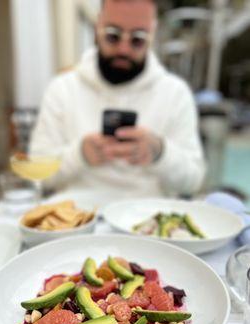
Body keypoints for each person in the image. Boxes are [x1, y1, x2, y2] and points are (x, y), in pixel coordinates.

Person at [30, 0, 206, 198]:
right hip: (75, 220)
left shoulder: (175, 94)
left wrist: (160, 153)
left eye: (137, 39)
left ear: (152, 36)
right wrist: (79, 155)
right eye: (113, 36)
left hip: (147, 219)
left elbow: (194, 181)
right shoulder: (61, 90)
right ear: (97, 27)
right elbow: (36, 174)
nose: (123, 49)